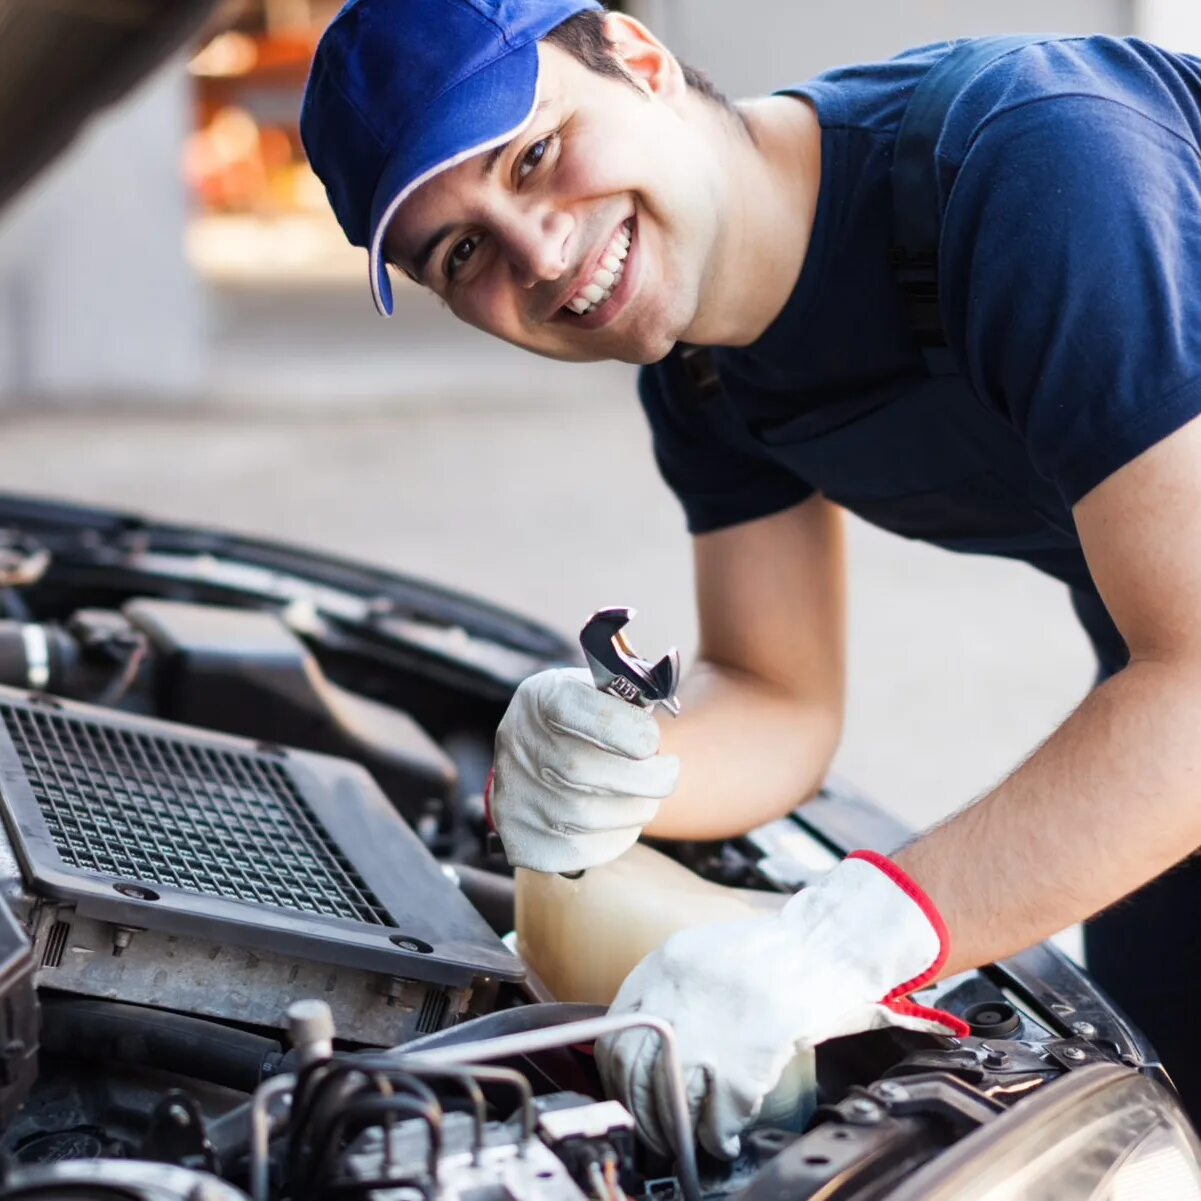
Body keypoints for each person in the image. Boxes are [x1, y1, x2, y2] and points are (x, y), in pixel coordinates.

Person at [300, 0, 1201, 1158]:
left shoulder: (1033, 166)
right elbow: (780, 694)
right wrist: (616, 766)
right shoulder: (705, 375)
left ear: (637, 57)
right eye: (461, 252)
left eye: (533, 154)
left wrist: (840, 941)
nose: (537, 253)